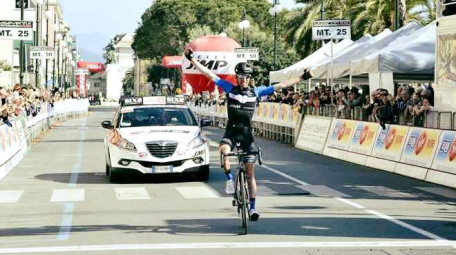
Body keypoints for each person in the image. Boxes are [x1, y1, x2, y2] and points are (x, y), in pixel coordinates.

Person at [184, 48, 312, 221]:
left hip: (246, 135)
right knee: (223, 151)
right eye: (241, 77)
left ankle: (252, 208)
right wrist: (192, 60)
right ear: (237, 78)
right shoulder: (229, 89)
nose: (244, 80)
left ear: (250, 78)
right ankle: (230, 180)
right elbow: (209, 74)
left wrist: (302, 78)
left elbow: (281, 85)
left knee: (251, 174)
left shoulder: (256, 92)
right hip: (231, 131)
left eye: (246, 77)